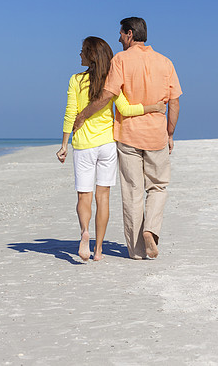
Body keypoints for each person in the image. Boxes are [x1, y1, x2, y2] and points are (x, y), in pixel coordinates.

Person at [73, 18, 182, 260]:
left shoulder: (120, 60)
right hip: (156, 136)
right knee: (158, 186)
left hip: (128, 137)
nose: (119, 39)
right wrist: (170, 132)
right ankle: (151, 230)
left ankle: (136, 251)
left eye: (121, 35)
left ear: (130, 34)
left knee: (132, 192)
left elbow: (107, 95)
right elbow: (174, 102)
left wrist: (82, 115)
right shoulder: (165, 62)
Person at [56, 36, 166, 262]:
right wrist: (153, 107)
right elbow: (125, 109)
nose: (79, 55)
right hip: (107, 145)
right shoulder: (111, 80)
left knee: (83, 195)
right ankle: (98, 251)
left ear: (90, 55)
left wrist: (64, 144)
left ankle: (84, 233)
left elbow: (71, 113)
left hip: (84, 146)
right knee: (103, 197)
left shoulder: (75, 80)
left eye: (82, 51)